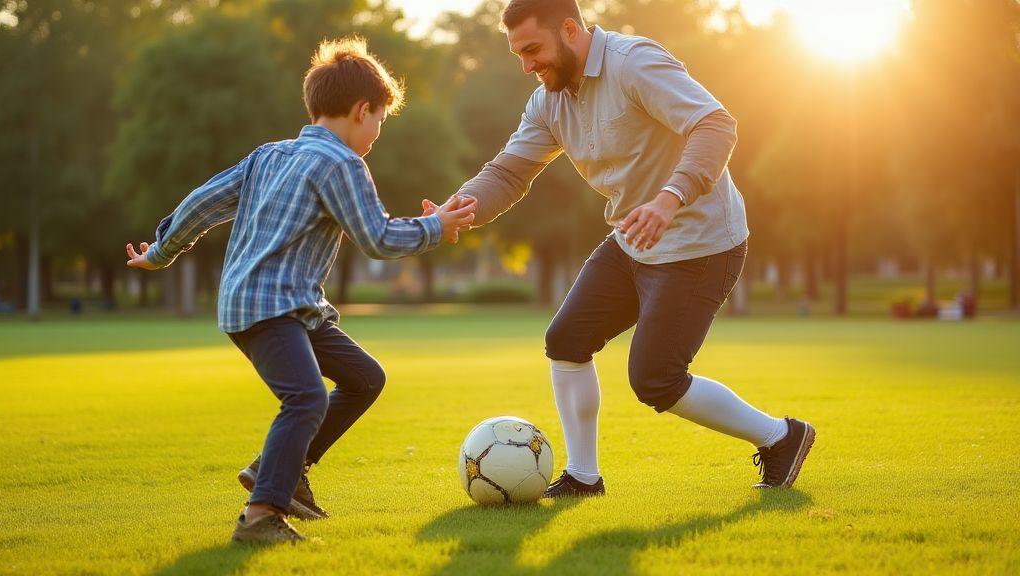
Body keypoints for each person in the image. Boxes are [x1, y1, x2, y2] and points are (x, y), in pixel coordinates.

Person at [454, 0, 814, 498]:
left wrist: (670, 199)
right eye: (518, 54)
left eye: (533, 49)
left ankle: (782, 436)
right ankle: (583, 476)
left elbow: (715, 124)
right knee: (566, 341)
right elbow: (509, 172)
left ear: (569, 29)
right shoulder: (549, 100)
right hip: (633, 240)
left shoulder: (634, 63)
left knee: (656, 380)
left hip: (700, 243)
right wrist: (456, 208)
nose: (527, 65)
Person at [125, 36, 476, 544]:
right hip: (273, 308)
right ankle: (260, 516)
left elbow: (203, 202)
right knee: (306, 398)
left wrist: (161, 250)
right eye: (380, 120)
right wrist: (437, 228)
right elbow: (376, 238)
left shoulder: (268, 155)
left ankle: (286, 472)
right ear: (362, 110)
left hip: (278, 306)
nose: (378, 133)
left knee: (364, 378)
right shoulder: (342, 164)